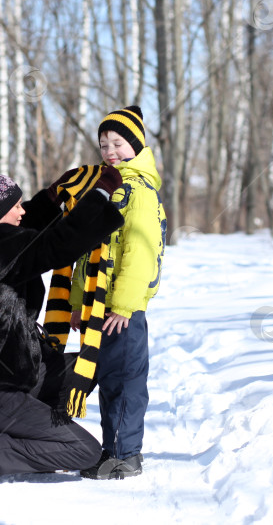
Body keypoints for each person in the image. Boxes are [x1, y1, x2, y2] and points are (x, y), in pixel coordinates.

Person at [0, 169, 124, 480]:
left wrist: (52, 197)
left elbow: (24, 233)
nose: (23, 211)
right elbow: (57, 244)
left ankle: (39, 437)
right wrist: (100, 194)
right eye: (17, 205)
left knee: (87, 367)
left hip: (15, 374)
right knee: (85, 452)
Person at [69, 105, 166, 479]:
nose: (110, 150)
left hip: (123, 311)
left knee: (125, 382)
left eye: (119, 142)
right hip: (98, 308)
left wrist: (124, 306)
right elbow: (87, 249)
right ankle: (111, 450)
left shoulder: (139, 192)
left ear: (137, 146)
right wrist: (78, 302)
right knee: (108, 381)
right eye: (104, 143)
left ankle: (127, 455)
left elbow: (138, 254)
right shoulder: (107, 188)